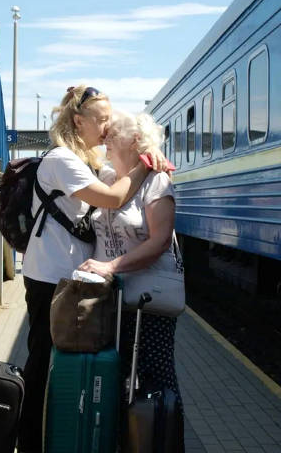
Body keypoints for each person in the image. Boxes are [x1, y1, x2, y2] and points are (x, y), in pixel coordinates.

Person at [17, 85, 166, 453]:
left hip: (74, 280)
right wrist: (147, 166)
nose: (107, 127)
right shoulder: (61, 161)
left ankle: (64, 438)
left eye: (109, 120)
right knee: (41, 363)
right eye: (100, 120)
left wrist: (152, 151)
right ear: (78, 121)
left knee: (67, 365)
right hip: (49, 279)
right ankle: (31, 443)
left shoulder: (87, 162)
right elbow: (114, 196)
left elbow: (121, 169)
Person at [77, 110, 185, 451]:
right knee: (115, 384)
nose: (106, 138)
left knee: (154, 384)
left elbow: (160, 240)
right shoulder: (109, 177)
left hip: (147, 306)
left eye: (114, 134)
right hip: (113, 305)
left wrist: (112, 266)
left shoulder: (157, 181)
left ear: (136, 142)